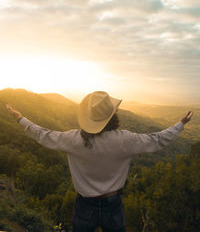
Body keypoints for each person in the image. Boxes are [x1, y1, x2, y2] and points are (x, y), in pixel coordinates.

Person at [6, 91, 193, 232]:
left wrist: (20, 118)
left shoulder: (73, 140)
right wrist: (180, 124)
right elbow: (157, 139)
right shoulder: (125, 140)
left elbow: (43, 135)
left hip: (84, 205)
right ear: (113, 116)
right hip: (113, 204)